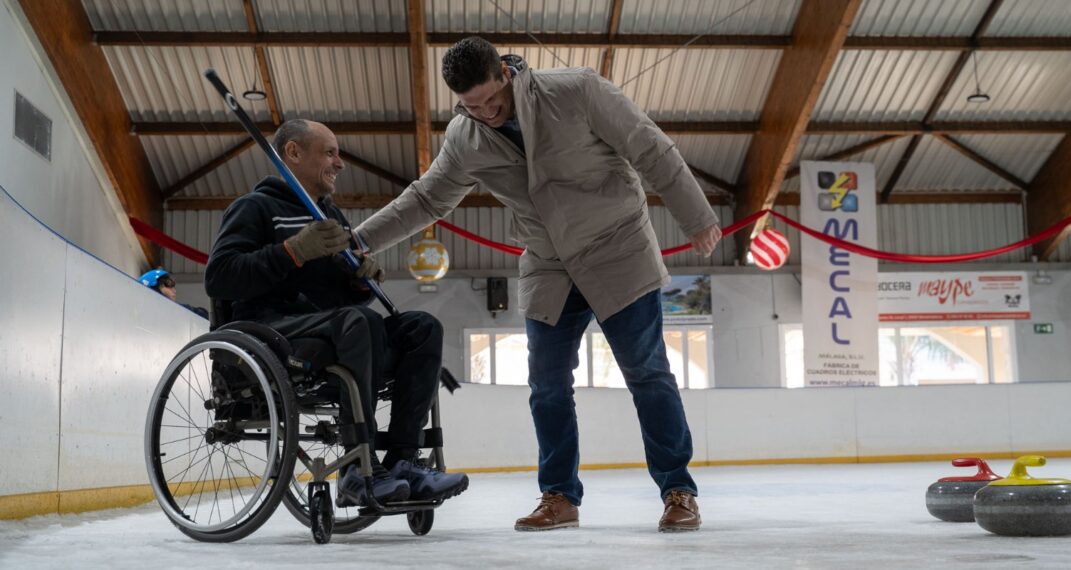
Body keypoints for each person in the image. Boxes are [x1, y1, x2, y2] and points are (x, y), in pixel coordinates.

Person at [353, 37, 721, 532]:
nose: (485, 113)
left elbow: (649, 147)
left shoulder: (578, 91)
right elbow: (426, 200)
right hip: (548, 262)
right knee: (547, 387)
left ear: (505, 71)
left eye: (491, 101)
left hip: (619, 249)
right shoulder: (465, 136)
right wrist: (361, 241)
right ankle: (559, 496)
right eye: (470, 106)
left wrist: (696, 215)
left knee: (647, 373)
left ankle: (678, 489)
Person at [204, 119, 468, 507]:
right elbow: (220, 278)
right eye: (329, 152)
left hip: (332, 332)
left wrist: (359, 282)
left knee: (422, 328)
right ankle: (355, 471)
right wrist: (291, 251)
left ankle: (401, 461)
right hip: (274, 334)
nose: (339, 163)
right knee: (359, 322)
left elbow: (342, 300)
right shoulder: (254, 208)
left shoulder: (330, 217)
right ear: (293, 153)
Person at [138, 268, 209, 319]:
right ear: (154, 288)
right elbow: (202, 314)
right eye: (169, 283)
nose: (174, 290)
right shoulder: (180, 311)